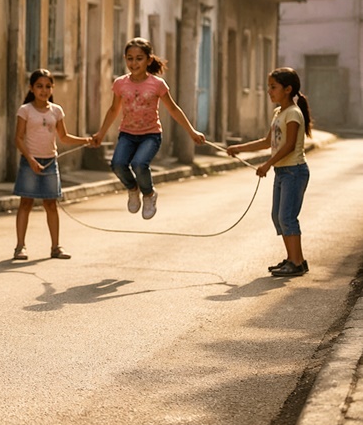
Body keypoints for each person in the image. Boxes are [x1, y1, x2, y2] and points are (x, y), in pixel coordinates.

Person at [91, 37, 205, 219]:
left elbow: (173, 109)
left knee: (139, 164)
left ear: (149, 60)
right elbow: (113, 110)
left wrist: (192, 132)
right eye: (130, 58)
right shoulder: (120, 83)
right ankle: (132, 189)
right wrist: (100, 134)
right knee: (118, 164)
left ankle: (149, 194)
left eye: (139, 58)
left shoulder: (157, 84)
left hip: (150, 135)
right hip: (127, 134)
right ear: (125, 59)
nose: (134, 63)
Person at [226, 67, 312, 277]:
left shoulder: (293, 113)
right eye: (269, 87)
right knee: (278, 216)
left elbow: (289, 145)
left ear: (287, 89)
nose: (269, 91)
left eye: (273, 87)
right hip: (282, 172)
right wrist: (239, 148)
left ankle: (295, 262)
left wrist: (267, 164)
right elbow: (267, 142)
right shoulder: (278, 113)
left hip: (294, 171)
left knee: (287, 217)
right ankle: (295, 259)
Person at [12, 68, 92, 260]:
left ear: (52, 88)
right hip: (29, 163)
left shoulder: (56, 111)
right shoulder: (25, 110)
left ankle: (56, 247)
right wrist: (30, 159)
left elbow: (64, 137)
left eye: (48, 86)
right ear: (31, 88)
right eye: (39, 86)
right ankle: (20, 246)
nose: (44, 90)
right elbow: (18, 138)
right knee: (25, 203)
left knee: (51, 204)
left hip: (50, 163)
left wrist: (86, 140)